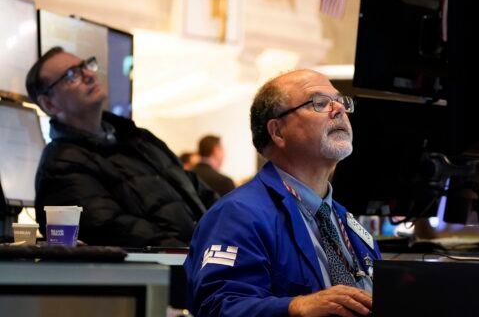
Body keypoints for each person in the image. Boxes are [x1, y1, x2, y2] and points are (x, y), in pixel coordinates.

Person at [184, 69, 381, 317]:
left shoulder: (346, 222)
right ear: (278, 131)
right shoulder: (238, 215)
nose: (338, 109)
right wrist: (296, 307)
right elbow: (216, 305)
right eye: (320, 103)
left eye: (341, 101)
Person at [25, 47, 217, 247]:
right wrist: (190, 251)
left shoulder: (139, 138)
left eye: (85, 66)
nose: (90, 75)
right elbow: (110, 228)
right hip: (162, 272)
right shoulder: (61, 164)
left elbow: (198, 191)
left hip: (201, 262)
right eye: (72, 75)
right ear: (49, 104)